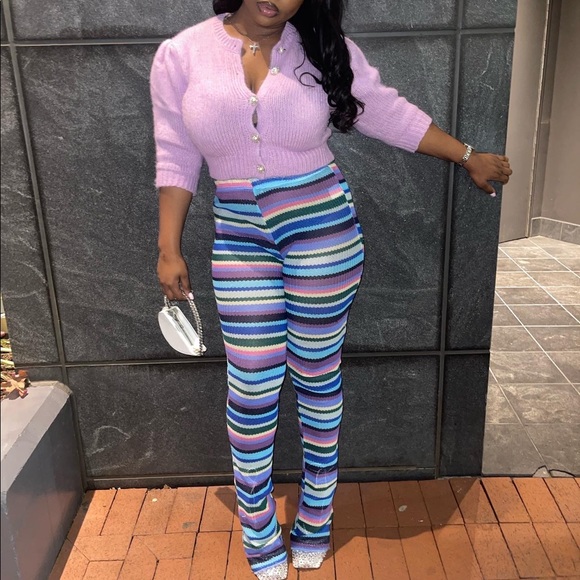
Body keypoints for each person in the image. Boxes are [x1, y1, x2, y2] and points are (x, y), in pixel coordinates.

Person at [151, 0, 512, 578]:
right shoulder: (181, 54)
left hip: (321, 227)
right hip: (239, 236)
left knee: (316, 373)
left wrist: (467, 155)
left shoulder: (323, 48)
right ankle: (257, 524)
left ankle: (316, 514)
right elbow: (175, 151)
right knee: (251, 384)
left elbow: (384, 110)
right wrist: (169, 247)